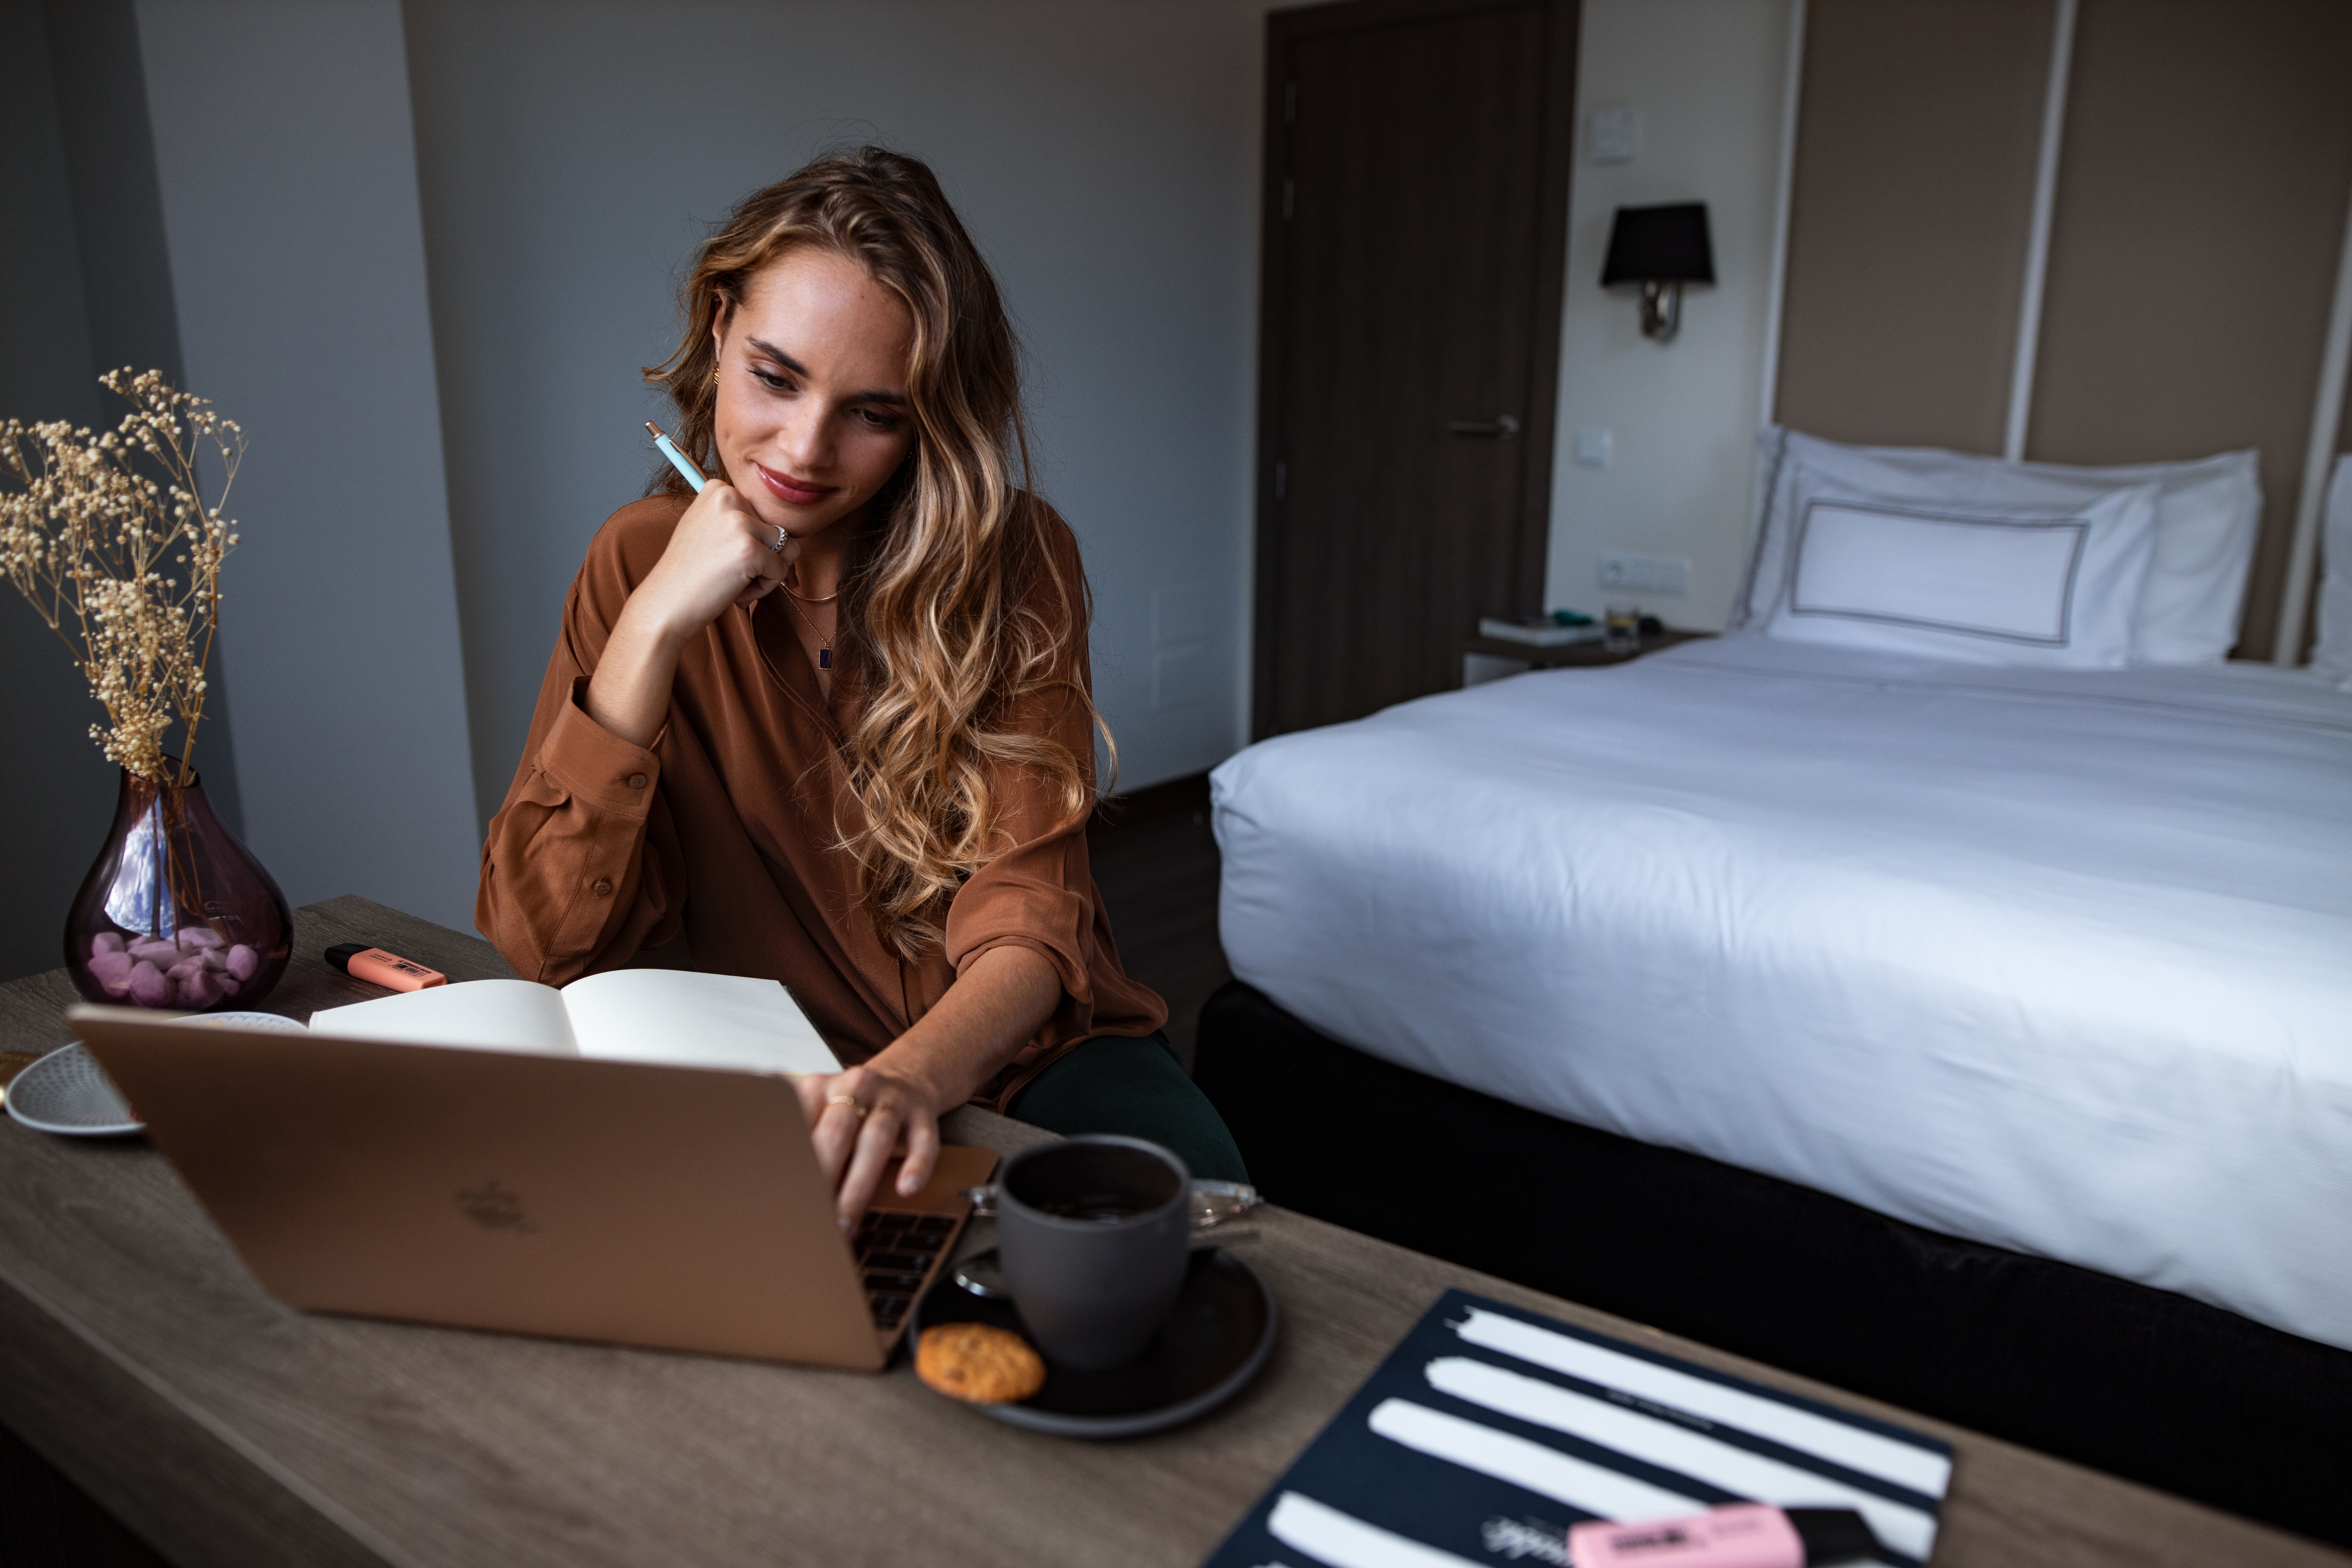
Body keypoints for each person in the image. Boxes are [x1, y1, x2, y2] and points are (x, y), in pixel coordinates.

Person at [477, 147, 1245, 1226]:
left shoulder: (1016, 560)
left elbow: (1030, 921)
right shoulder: (632, 562)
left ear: (928, 419)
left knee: (1213, 1230)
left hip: (1023, 1060)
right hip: (775, 1070)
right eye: (775, 376)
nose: (803, 448)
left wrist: (906, 1083)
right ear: (717, 331)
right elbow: (544, 944)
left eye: (873, 413)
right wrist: (653, 626)